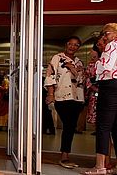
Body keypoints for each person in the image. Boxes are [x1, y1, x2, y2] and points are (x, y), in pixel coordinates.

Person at [44, 36, 85, 169]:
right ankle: (64, 156)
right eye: (71, 44)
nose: (73, 47)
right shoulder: (58, 58)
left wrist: (73, 69)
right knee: (68, 125)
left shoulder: (79, 62)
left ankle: (65, 155)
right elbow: (50, 76)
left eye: (76, 45)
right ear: (66, 44)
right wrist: (50, 94)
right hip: (62, 96)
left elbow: (81, 80)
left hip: (77, 98)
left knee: (70, 126)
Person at [85, 23, 117, 175]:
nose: (105, 36)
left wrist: (96, 63)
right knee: (116, 127)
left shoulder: (112, 45)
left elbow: (106, 66)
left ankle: (100, 166)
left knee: (103, 126)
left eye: (107, 33)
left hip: (109, 85)